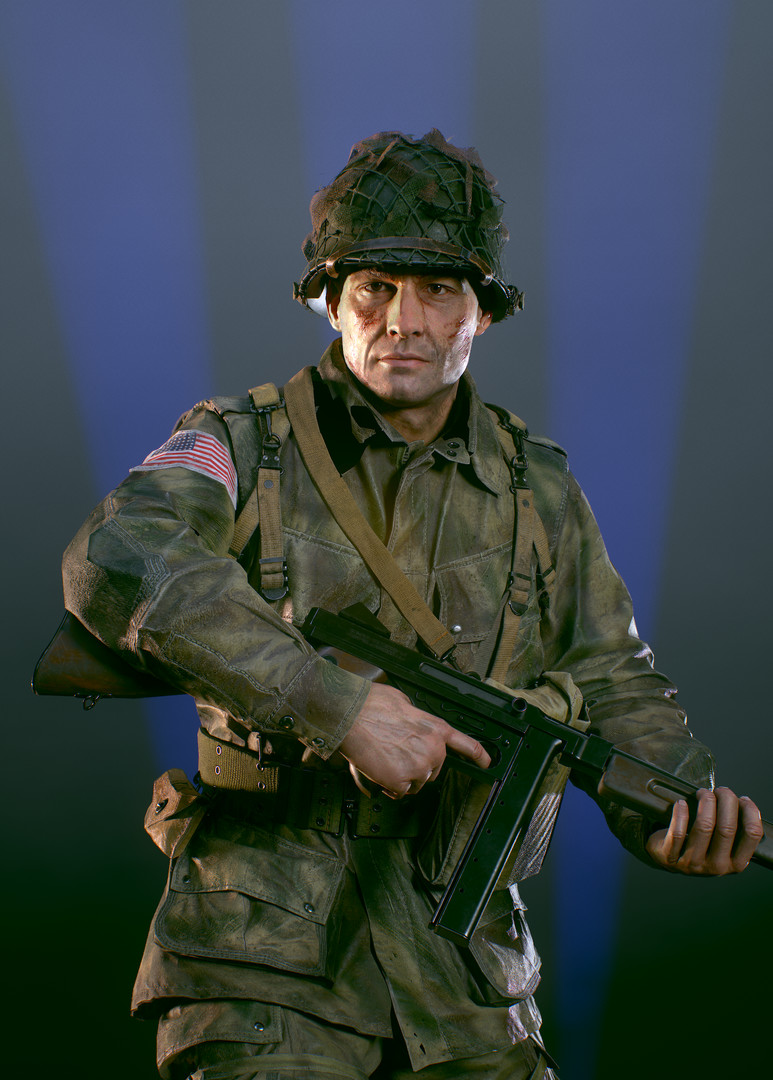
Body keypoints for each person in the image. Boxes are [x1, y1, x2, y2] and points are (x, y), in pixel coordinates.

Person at [61, 130, 763, 1080]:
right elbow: (117, 554)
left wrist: (675, 802)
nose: (403, 320)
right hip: (263, 957)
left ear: (483, 311)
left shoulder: (538, 488)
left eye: (438, 290)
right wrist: (335, 705)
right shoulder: (241, 442)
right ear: (331, 300)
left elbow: (609, 674)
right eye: (374, 288)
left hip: (462, 975)